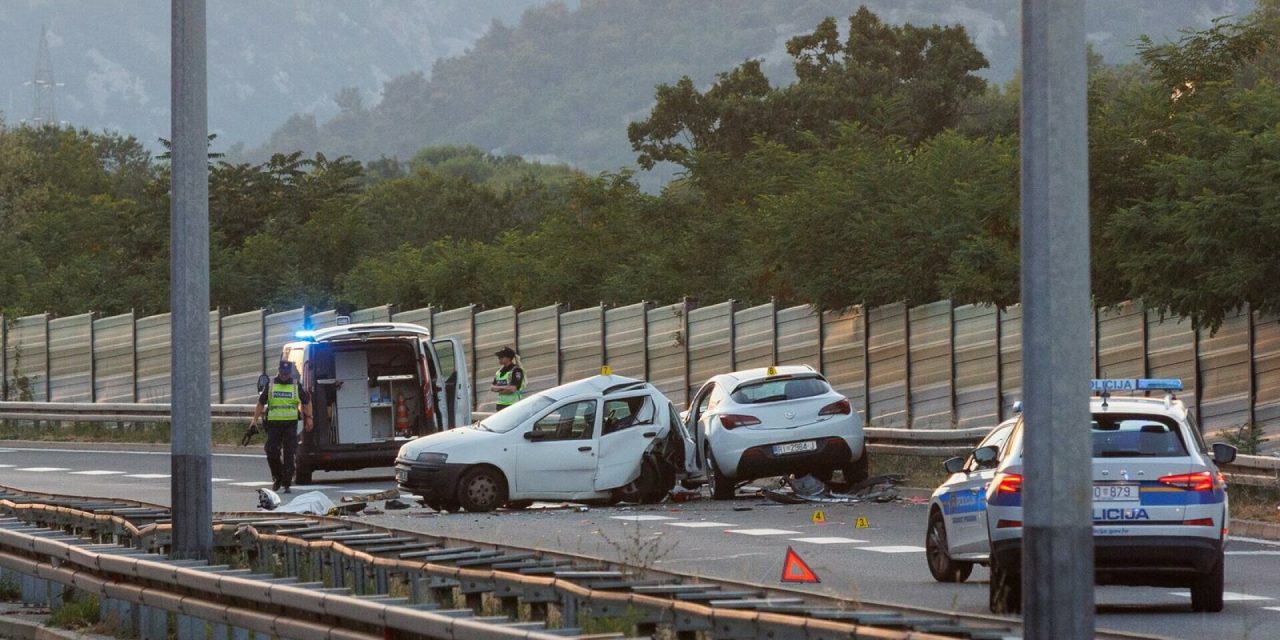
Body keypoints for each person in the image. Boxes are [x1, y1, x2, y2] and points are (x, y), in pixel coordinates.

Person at [250, 359, 312, 493]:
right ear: (279, 371)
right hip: (274, 425)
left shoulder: (296, 385)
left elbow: (306, 402)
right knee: (271, 451)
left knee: (289, 453)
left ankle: (287, 482)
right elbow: (261, 403)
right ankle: (277, 476)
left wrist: (309, 418)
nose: (284, 376)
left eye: (286, 373)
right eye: (282, 373)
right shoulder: (271, 384)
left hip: (290, 424)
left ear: (290, 373)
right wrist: (254, 420)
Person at [490, 346, 525, 411]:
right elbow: (492, 387)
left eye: (501, 356)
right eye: (498, 357)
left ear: (508, 358)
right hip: (500, 405)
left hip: (512, 405)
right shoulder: (499, 372)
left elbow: (512, 389)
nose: (499, 358)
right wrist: (506, 388)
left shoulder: (516, 370)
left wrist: (499, 389)